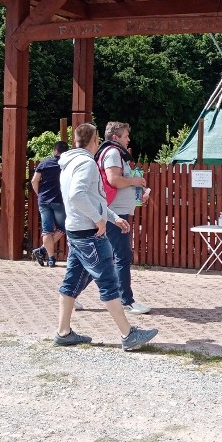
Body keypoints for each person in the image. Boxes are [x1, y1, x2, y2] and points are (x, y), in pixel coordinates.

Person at [54, 122, 158, 350]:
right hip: (89, 233)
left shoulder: (68, 163)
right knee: (109, 282)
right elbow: (78, 195)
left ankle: (63, 332)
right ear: (93, 141)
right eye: (97, 140)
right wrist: (99, 219)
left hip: (76, 230)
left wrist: (111, 217)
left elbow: (94, 199)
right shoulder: (87, 164)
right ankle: (128, 335)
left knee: (71, 282)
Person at [96, 120, 151, 314]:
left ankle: (71, 293)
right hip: (115, 213)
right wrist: (135, 180)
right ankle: (126, 299)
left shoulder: (115, 154)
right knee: (122, 255)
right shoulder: (112, 153)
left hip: (117, 211)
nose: (129, 139)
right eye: (126, 136)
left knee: (102, 257)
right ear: (115, 137)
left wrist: (137, 193)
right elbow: (114, 180)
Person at [30, 140, 68, 267]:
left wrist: (38, 194)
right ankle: (42, 250)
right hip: (59, 200)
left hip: (44, 200)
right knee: (62, 228)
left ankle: (50, 258)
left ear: (55, 151)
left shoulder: (44, 163)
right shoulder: (66, 164)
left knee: (47, 230)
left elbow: (34, 180)